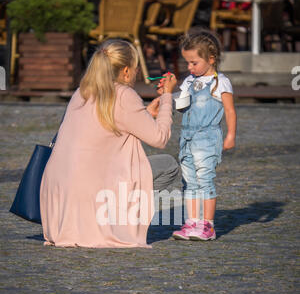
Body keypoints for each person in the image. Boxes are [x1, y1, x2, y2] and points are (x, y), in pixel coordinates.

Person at [40, 39, 177, 249]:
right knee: (169, 165)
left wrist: (146, 115)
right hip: (94, 189)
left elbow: (105, 129)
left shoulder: (81, 91)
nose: (138, 71)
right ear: (125, 71)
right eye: (135, 67)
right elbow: (160, 138)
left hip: (59, 191)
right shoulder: (124, 94)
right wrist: (168, 97)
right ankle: (116, 219)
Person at [169, 29, 236, 241]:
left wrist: (231, 135)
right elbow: (181, 107)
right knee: (189, 181)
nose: (189, 67)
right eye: (187, 63)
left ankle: (208, 225)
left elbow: (230, 110)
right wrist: (169, 95)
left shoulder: (220, 82)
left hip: (207, 138)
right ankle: (192, 222)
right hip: (187, 138)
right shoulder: (189, 81)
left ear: (211, 59)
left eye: (193, 63)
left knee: (205, 179)